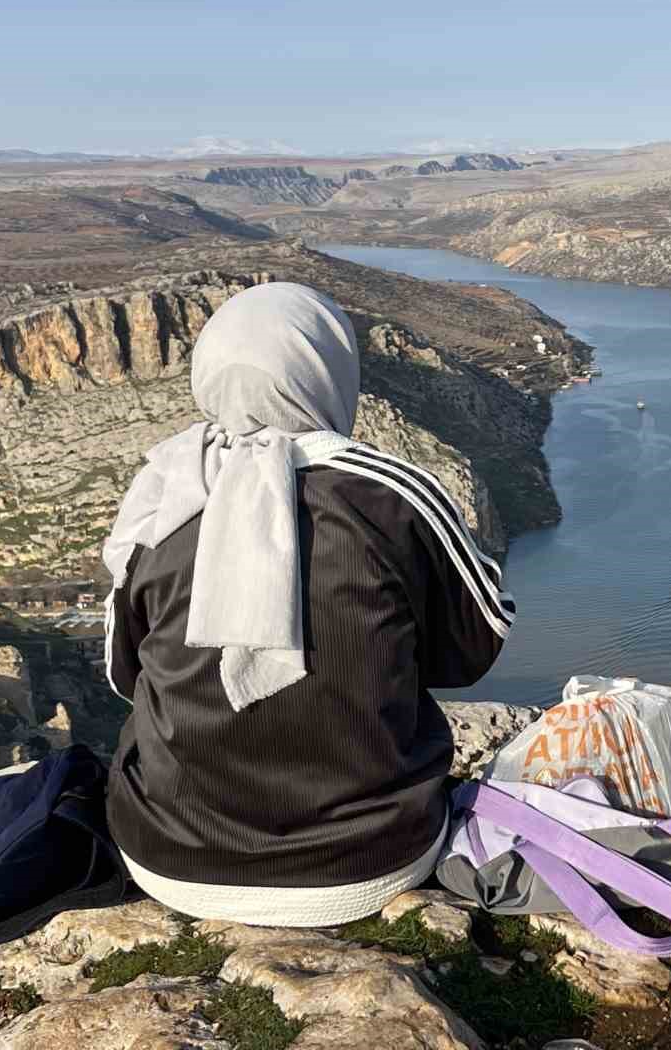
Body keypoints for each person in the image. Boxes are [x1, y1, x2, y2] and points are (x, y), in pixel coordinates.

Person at [101, 282, 513, 926]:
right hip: (371, 855)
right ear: (327, 370)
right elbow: (469, 653)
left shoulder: (163, 499)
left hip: (170, 856)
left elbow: (127, 676)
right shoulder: (393, 497)